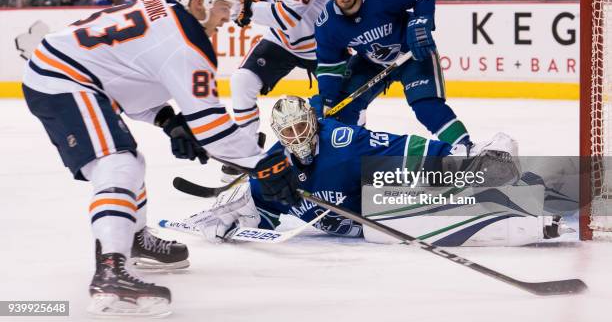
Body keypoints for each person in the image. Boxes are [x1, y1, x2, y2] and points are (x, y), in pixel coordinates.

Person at [22, 0, 298, 317]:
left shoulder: (165, 11)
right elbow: (215, 132)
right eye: (222, 7)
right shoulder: (188, 45)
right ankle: (110, 272)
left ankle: (131, 239)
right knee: (118, 165)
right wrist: (264, 165)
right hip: (62, 78)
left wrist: (169, 120)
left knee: (131, 161)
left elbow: (129, 76)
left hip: (65, 70)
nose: (226, 18)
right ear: (199, 1)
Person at [188, 96, 565, 246]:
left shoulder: (341, 140)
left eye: (301, 127)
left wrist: (457, 153)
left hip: (383, 197)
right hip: (362, 223)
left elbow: (401, 147)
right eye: (288, 133)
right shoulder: (276, 163)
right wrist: (236, 220)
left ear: (313, 123)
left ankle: (497, 158)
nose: (297, 137)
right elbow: (264, 209)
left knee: (436, 191)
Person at [314, 0, 471, 148]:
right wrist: (327, 99)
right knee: (343, 109)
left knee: (427, 108)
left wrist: (421, 22)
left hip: (413, 53)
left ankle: (466, 148)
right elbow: (330, 65)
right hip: (371, 63)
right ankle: (355, 150)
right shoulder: (327, 24)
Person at [228, 0, 329, 178]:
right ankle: (245, 152)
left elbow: (288, 15)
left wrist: (248, 10)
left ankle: (346, 156)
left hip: (322, 44)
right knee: (241, 81)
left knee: (339, 107)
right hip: (283, 41)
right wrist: (250, 2)